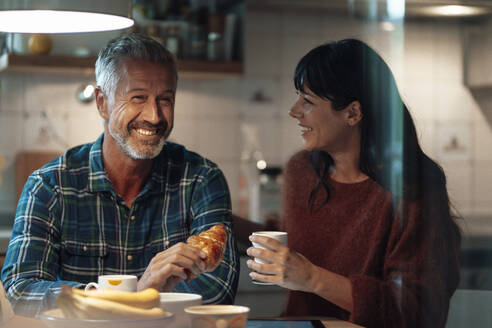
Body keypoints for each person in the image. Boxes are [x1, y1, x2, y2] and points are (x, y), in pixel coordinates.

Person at [1, 33, 239, 316]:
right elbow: (21, 290)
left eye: (165, 99)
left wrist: (126, 300)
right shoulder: (49, 186)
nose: (154, 115)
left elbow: (219, 286)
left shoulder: (202, 179)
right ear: (102, 102)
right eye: (138, 98)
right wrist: (133, 295)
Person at [246, 39, 461, 328]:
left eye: (307, 101)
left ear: (352, 113)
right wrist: (220, 221)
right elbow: (297, 248)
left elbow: (417, 311)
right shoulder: (302, 170)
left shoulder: (416, 186)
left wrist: (311, 278)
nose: (294, 111)